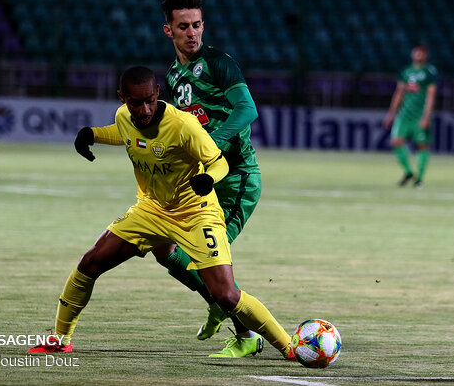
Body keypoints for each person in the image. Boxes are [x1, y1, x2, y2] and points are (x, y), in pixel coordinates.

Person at [28, 66, 296, 362]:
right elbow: (126, 133)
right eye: (135, 103)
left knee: (226, 295)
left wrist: (209, 178)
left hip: (196, 213)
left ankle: (289, 348)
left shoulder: (184, 125)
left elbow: (218, 162)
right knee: (90, 263)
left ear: (157, 94)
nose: (143, 109)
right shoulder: (123, 116)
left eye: (149, 101)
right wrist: (92, 134)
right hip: (151, 210)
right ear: (122, 98)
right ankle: (59, 339)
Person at [152, 0, 264, 357]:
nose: (192, 32)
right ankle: (218, 303)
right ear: (168, 30)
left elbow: (247, 110)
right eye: (183, 26)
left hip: (235, 179)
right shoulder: (173, 76)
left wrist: (213, 139)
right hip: (201, 180)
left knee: (212, 265)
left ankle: (245, 334)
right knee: (164, 246)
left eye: (197, 25)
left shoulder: (220, 63)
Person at [382, 43, 438, 188]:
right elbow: (399, 93)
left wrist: (426, 116)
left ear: (425, 55)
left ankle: (419, 179)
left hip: (419, 115)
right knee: (396, 142)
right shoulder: (405, 71)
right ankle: (408, 172)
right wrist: (391, 114)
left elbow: (431, 95)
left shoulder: (429, 72)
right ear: (412, 54)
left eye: (421, 53)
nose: (418, 55)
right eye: (416, 52)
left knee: (422, 146)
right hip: (404, 115)